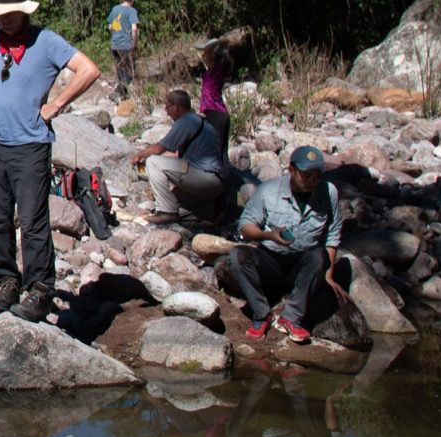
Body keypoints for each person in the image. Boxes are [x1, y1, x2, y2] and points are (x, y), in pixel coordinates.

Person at [0, 0, 101, 323]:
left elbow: (89, 69)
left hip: (32, 145)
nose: (4, 19)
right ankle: (7, 281)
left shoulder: (45, 41)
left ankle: (41, 289)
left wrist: (57, 104)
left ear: (23, 11)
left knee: (32, 220)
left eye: (11, 13)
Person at [232, 145, 342, 344]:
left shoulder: (329, 192)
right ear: (292, 170)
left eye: (317, 176)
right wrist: (269, 235)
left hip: (304, 263)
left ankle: (291, 318)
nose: (312, 181)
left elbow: (332, 236)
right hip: (271, 259)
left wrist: (329, 276)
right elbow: (245, 226)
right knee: (237, 255)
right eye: (306, 175)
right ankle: (262, 313)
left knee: (319, 257)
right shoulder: (269, 190)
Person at [131, 88, 226, 224]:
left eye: (168, 106)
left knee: (153, 162)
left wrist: (139, 155)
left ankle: (167, 213)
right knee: (176, 200)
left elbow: (159, 149)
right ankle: (205, 213)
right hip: (215, 182)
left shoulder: (186, 121)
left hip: (204, 177)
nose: (166, 110)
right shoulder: (198, 121)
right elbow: (175, 155)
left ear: (177, 107)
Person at [197, 38, 233, 155]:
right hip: (212, 113)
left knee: (216, 151)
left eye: (206, 53)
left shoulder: (218, 69)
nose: (203, 55)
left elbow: (222, 53)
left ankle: (220, 173)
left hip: (216, 113)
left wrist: (213, 47)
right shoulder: (210, 71)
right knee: (218, 152)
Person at [107, 0, 139, 101]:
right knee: (128, 71)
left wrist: (116, 35)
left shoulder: (115, 9)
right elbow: (134, 29)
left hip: (115, 45)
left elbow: (110, 26)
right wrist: (134, 44)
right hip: (126, 45)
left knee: (120, 70)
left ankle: (121, 94)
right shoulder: (131, 11)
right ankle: (121, 94)